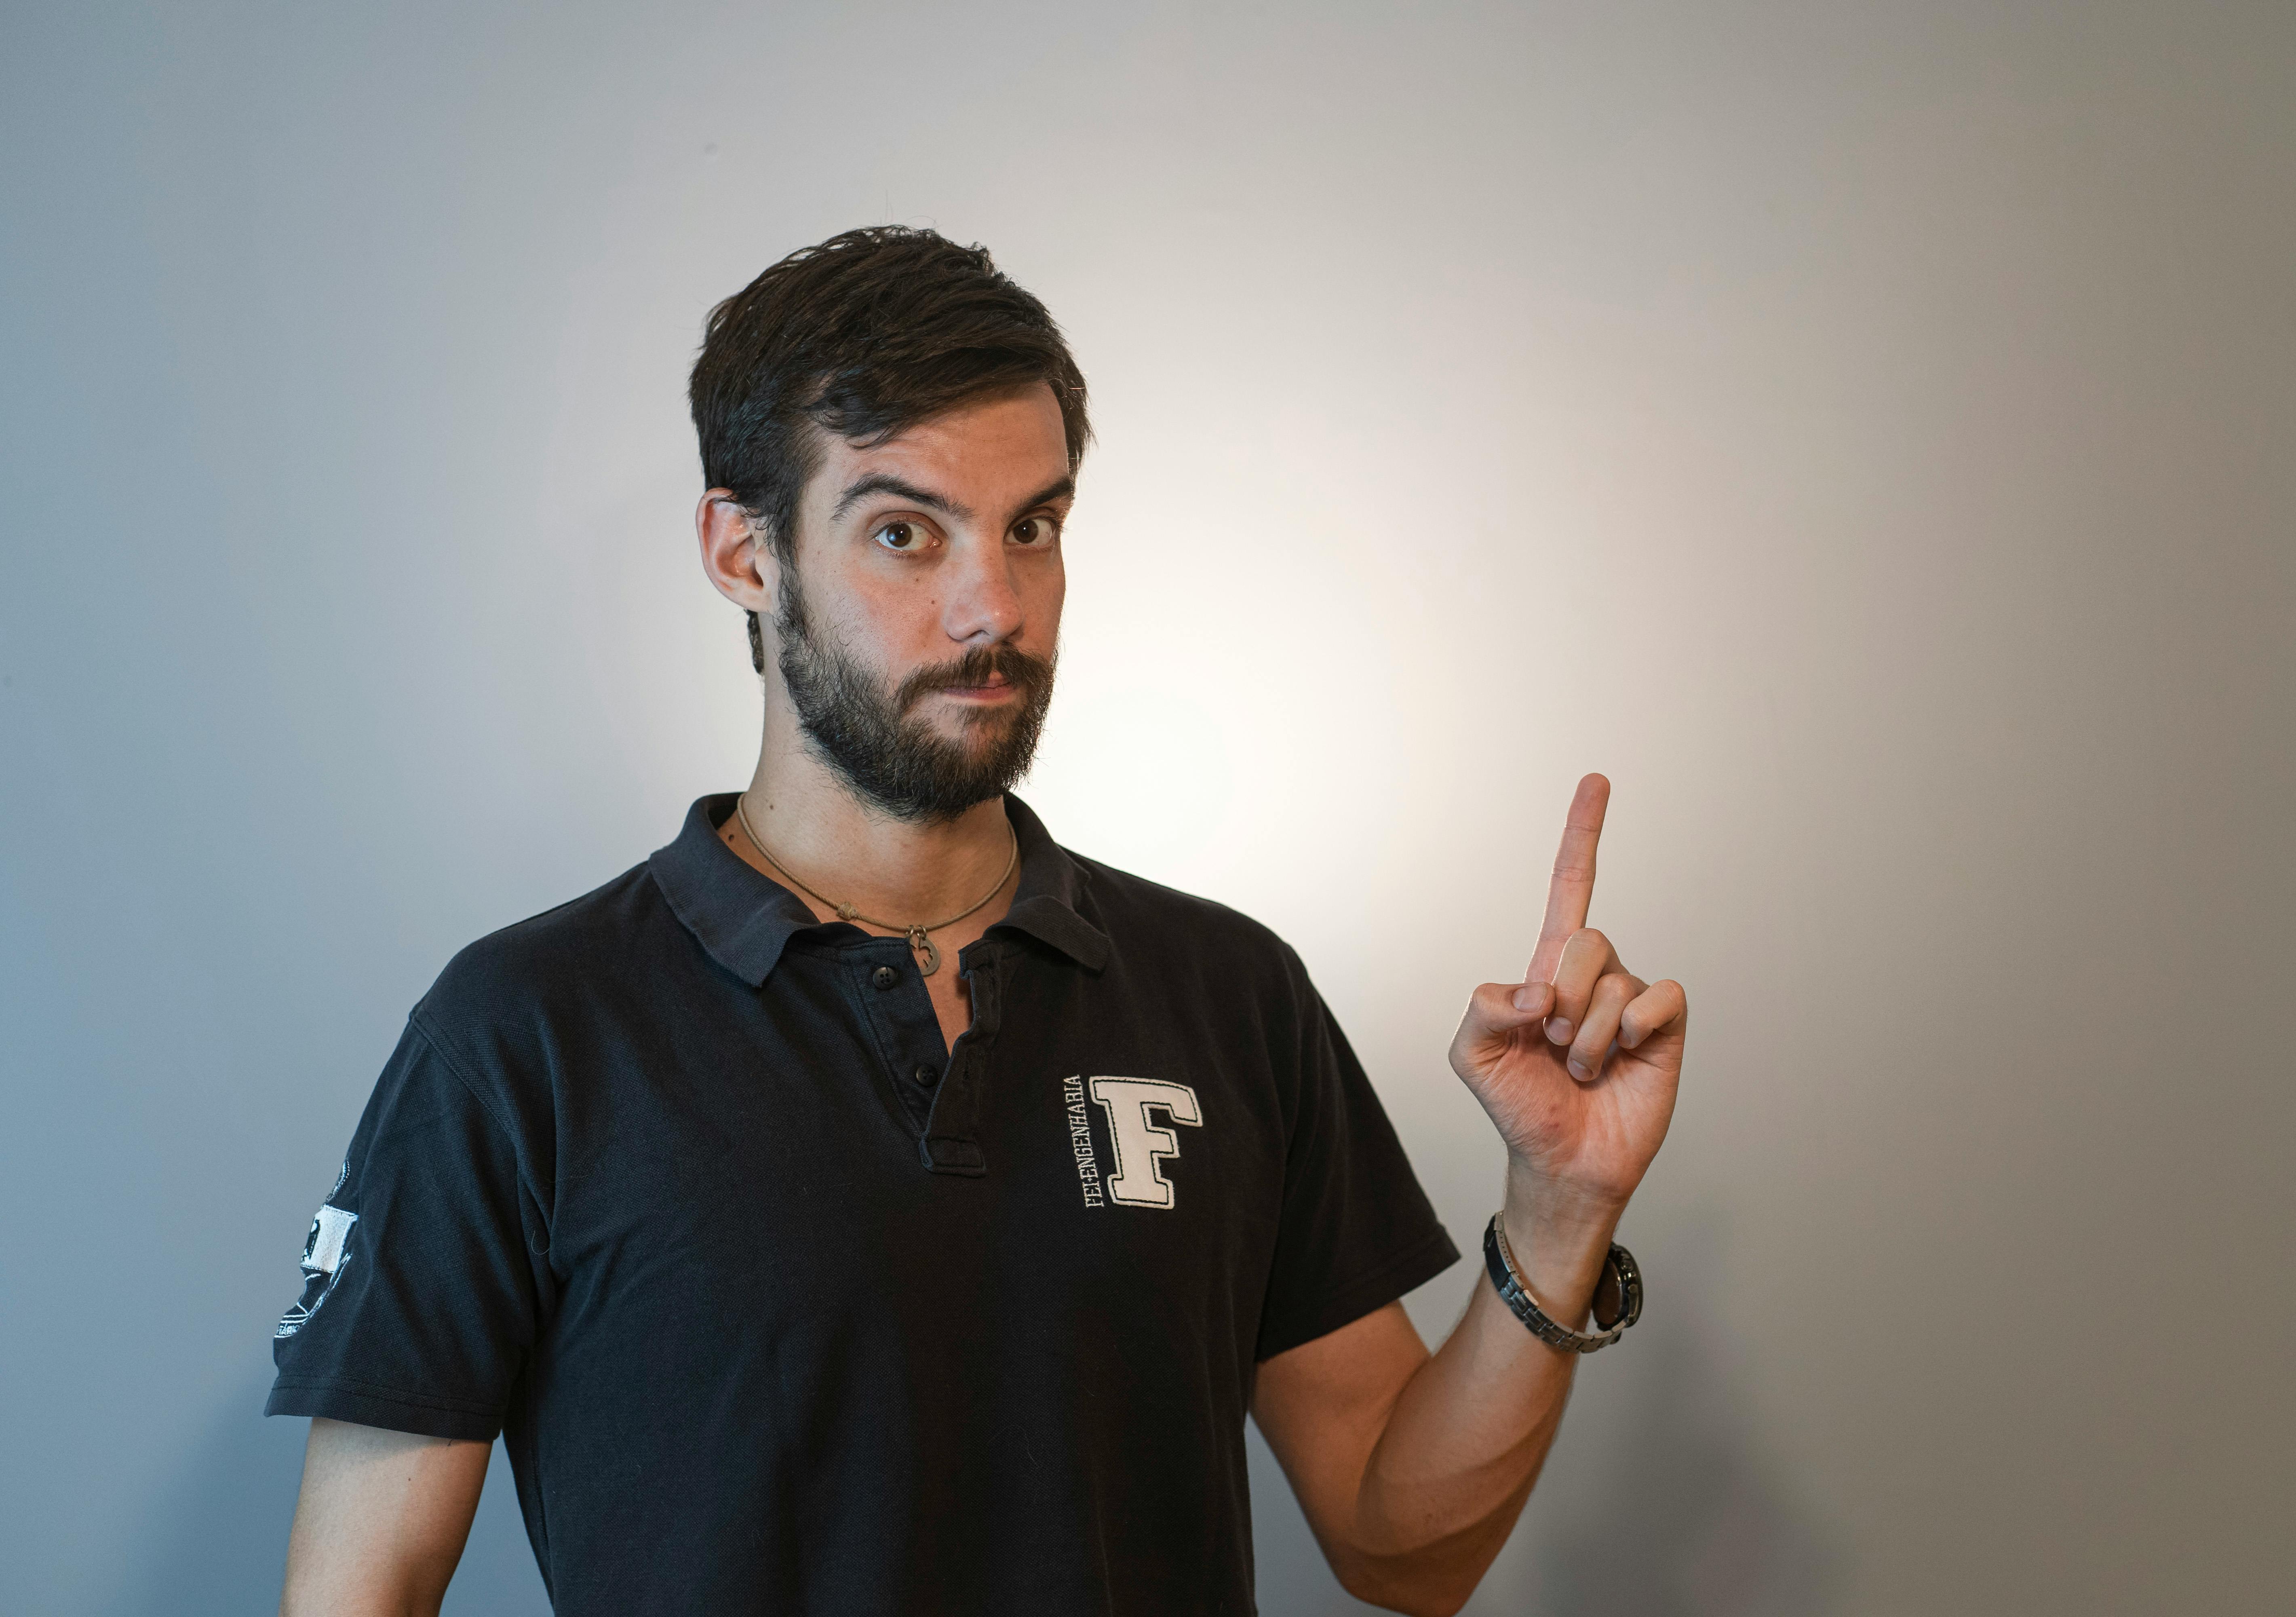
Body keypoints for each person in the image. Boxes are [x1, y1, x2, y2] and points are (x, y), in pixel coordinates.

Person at [267, 226, 1688, 1617]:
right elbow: (361, 1589)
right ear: (743, 553)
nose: (992, 607)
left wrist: (1557, 1220)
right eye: (904, 532)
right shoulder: (528, 1033)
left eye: (1034, 527)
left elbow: (1403, 1546)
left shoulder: (1227, 993)